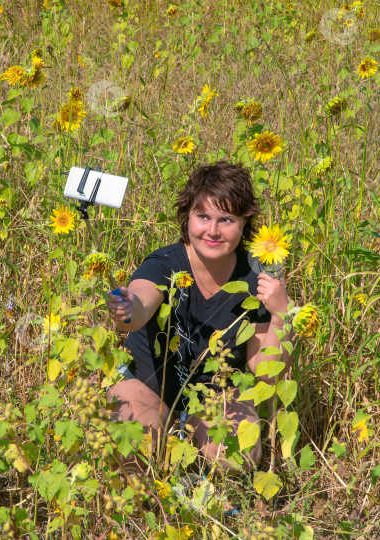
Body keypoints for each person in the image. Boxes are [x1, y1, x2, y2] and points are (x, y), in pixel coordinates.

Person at [105, 161, 291, 473]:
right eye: (202, 216)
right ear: (187, 215)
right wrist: (127, 307)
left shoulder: (259, 275)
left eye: (226, 219)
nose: (212, 231)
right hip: (149, 383)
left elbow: (268, 373)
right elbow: (139, 307)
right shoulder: (165, 262)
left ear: (246, 221)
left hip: (217, 392)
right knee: (129, 445)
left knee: (236, 457)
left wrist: (282, 316)